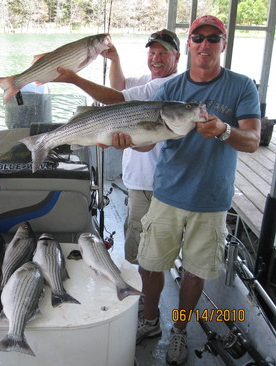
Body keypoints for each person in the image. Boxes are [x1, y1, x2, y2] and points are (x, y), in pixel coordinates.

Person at [114, 16, 260, 365]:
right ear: (190, 44)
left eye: (213, 38)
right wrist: (127, 140)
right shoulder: (170, 89)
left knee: (195, 272)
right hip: (167, 195)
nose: (205, 45)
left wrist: (224, 130)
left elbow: (253, 141)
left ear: (223, 44)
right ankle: (150, 321)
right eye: (198, 38)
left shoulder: (241, 87)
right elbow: (148, 146)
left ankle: (179, 330)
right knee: (150, 265)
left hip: (211, 200)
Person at [54, 30, 180, 263]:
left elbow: (115, 98)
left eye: (164, 53)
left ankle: (145, 292)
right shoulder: (148, 80)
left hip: (153, 182)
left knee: (147, 248)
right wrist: (115, 60)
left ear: (177, 57)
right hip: (137, 179)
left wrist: (75, 79)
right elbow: (120, 85)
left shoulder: (167, 86)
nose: (156, 58)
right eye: (152, 52)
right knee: (137, 238)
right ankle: (143, 286)